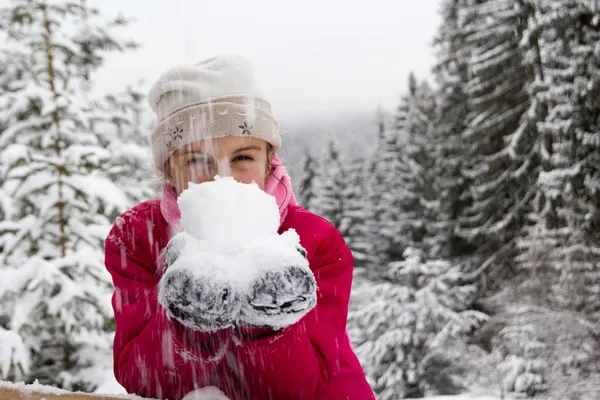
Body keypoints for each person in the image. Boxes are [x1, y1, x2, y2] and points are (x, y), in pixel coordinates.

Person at [104, 54, 375, 400]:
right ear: (169, 172)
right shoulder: (138, 238)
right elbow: (140, 376)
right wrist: (192, 323)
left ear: (268, 162)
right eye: (197, 160)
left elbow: (303, 386)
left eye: (242, 158)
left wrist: (266, 320)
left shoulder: (316, 240)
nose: (222, 176)